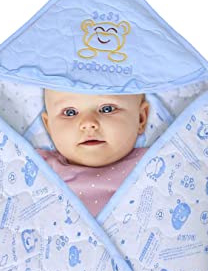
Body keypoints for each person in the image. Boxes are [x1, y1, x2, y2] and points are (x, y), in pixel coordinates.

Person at [37, 88, 150, 216]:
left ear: (141, 118)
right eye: (70, 112)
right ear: (49, 126)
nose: (88, 123)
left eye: (107, 109)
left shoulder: (156, 163)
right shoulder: (35, 166)